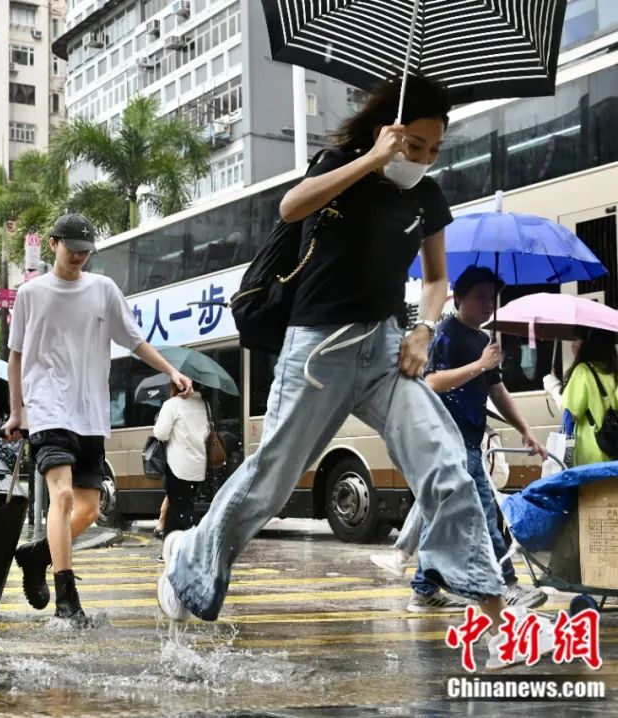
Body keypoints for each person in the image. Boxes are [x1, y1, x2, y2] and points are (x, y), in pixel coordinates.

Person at [155, 76, 554, 664]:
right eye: (414, 145)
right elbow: (291, 208)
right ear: (386, 128)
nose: (421, 159)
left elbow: (438, 279)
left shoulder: (427, 196)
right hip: (317, 351)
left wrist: (423, 330)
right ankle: (189, 562)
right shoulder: (340, 162)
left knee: (447, 465)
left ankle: (492, 621)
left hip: (389, 351)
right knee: (270, 480)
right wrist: (373, 158)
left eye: (433, 150)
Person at [2, 213, 193, 626]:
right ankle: (67, 601)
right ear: (53, 244)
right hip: (48, 409)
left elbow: (135, 339)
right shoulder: (30, 294)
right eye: (73, 249)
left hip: (89, 414)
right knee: (64, 497)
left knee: (88, 510)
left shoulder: (103, 289)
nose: (80, 257)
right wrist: (18, 411)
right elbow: (15, 356)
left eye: (86, 251)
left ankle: (38, 556)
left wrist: (170, 371)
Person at [403, 266, 546, 611]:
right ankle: (507, 585)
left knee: (444, 516)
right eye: (480, 297)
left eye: (492, 298)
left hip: (468, 440)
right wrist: (480, 365)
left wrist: (525, 429)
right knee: (482, 513)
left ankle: (424, 590)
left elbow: (497, 391)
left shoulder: (483, 340)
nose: (487, 304)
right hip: (445, 439)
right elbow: (432, 382)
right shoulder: (445, 335)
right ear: (460, 297)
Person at [151, 383, 209, 536]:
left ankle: (201, 541)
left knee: (181, 510)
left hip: (178, 467)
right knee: (178, 508)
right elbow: (207, 432)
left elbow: (161, 434)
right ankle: (169, 551)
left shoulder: (172, 405)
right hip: (198, 467)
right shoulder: (204, 404)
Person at [560, 325, 618, 465]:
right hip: (613, 455)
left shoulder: (583, 371)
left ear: (590, 343)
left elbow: (570, 415)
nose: (572, 344)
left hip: (590, 457)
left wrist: (564, 452)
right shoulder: (614, 372)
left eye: (577, 339)